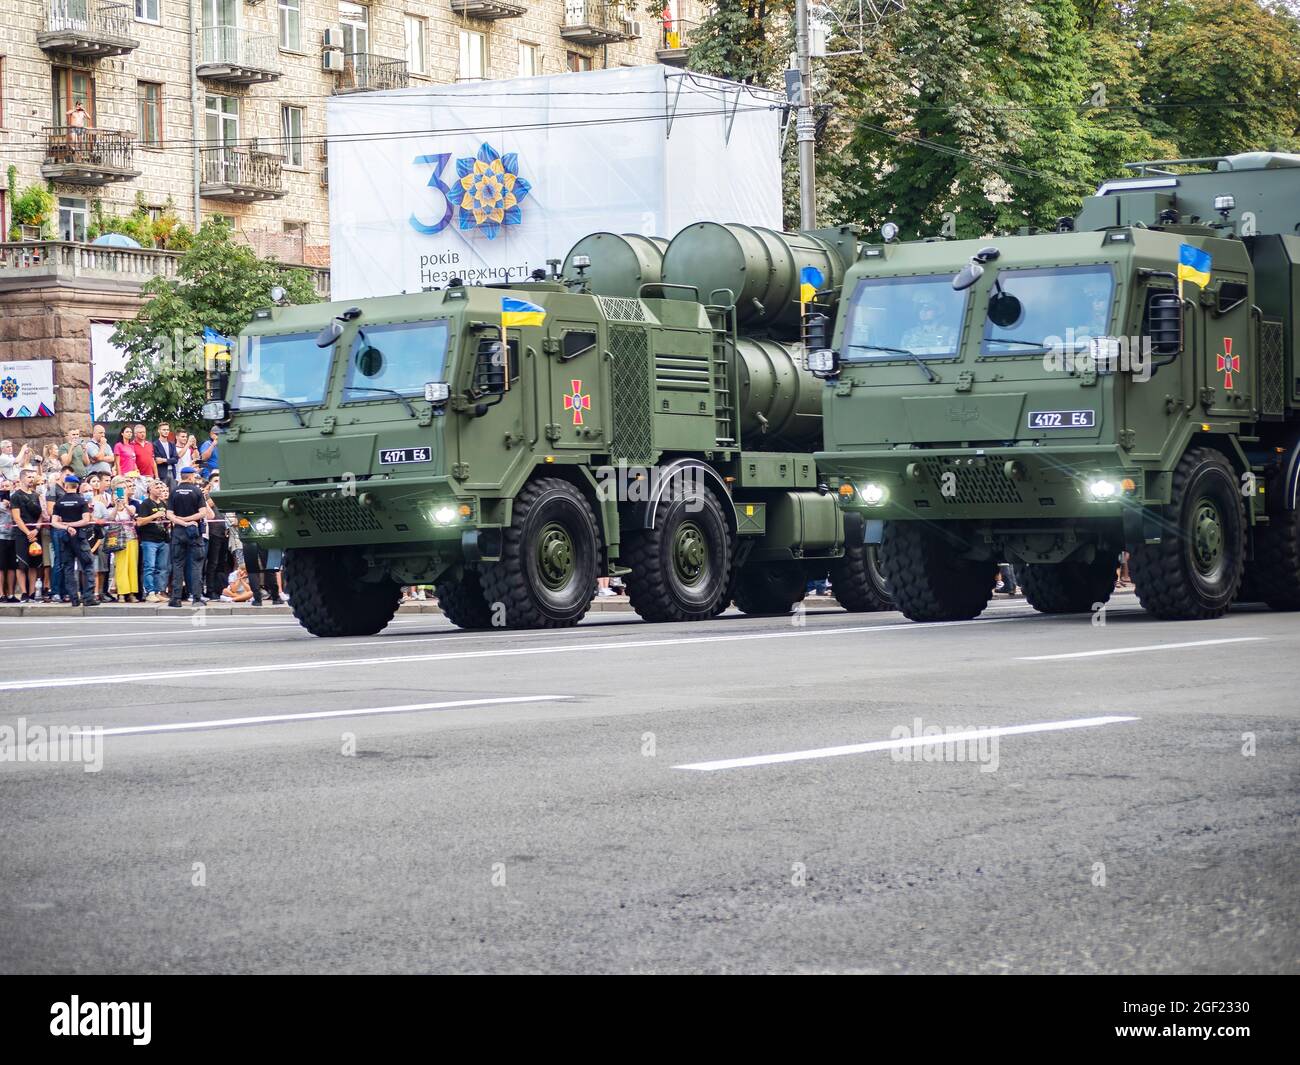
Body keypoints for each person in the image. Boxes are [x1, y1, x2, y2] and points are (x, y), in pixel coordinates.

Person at [167, 466, 211, 608]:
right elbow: (203, 512)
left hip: (178, 532)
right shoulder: (197, 491)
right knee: (196, 565)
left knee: (178, 565)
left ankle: (176, 598)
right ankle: (196, 598)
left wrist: (182, 522)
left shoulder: (174, 492)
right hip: (194, 532)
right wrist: (189, 521)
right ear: (191, 476)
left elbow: (169, 514)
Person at [49, 472, 95, 607]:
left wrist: (67, 526)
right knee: (87, 565)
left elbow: (54, 522)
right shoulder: (81, 501)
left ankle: (74, 599)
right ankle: (88, 597)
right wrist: (73, 525)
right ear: (77, 486)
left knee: (68, 568)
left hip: (65, 538)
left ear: (65, 485)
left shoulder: (59, 502)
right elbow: (86, 520)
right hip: (80, 537)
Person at [10, 468, 44, 602]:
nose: (31, 479)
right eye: (29, 477)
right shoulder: (16, 496)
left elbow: (42, 514)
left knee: (34, 565)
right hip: (22, 533)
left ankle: (32, 593)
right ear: (22, 478)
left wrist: (36, 529)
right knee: (21, 565)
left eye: (33, 477)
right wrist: (28, 532)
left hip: (35, 533)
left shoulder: (36, 495)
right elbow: (17, 518)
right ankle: (24, 593)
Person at [135, 479, 171, 602]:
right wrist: (154, 516)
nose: (160, 489)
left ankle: (159, 591)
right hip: (149, 540)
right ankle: (150, 591)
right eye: (157, 487)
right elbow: (139, 522)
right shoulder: (145, 503)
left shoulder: (163, 504)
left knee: (162, 567)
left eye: (161, 487)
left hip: (163, 539)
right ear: (150, 489)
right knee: (149, 566)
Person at [108, 476, 140, 602]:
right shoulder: (111, 508)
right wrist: (117, 505)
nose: (122, 492)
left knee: (132, 566)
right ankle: (121, 592)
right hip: (118, 539)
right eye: (118, 490)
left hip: (132, 538)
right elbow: (110, 518)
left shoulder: (132, 506)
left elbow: (132, 514)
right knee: (121, 566)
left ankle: (132, 592)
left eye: (124, 488)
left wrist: (124, 504)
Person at [0, 476, 16, 602]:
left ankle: (11, 593)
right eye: (3, 486)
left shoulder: (15, 500)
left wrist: (11, 505)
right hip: (1, 536)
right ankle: (1, 594)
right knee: (1, 566)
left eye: (7, 486)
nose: (5, 489)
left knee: (11, 567)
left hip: (13, 536)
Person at [153, 422, 178, 487]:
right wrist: (170, 460)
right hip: (161, 473)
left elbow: (175, 459)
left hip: (172, 472)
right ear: (159, 431)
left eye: (167, 430)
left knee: (172, 494)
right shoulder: (155, 445)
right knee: (162, 494)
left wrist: (164, 460)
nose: (166, 431)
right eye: (164, 430)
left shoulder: (172, 444)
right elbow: (157, 460)